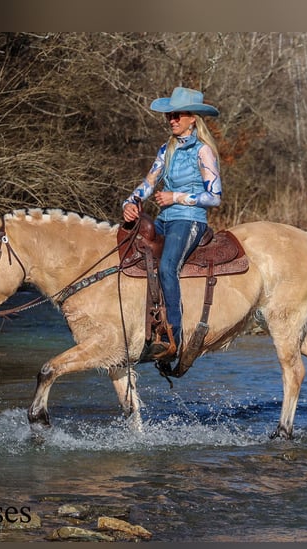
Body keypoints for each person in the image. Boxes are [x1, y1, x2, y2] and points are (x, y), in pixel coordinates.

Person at [123, 87, 222, 362]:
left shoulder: (203, 152)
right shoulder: (166, 149)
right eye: (170, 115)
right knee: (134, 259)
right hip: (164, 219)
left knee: (167, 266)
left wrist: (175, 197)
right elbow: (148, 183)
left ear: (193, 118)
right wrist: (129, 203)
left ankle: (172, 339)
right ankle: (142, 328)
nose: (172, 120)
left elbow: (214, 197)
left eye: (177, 115)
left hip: (190, 220)